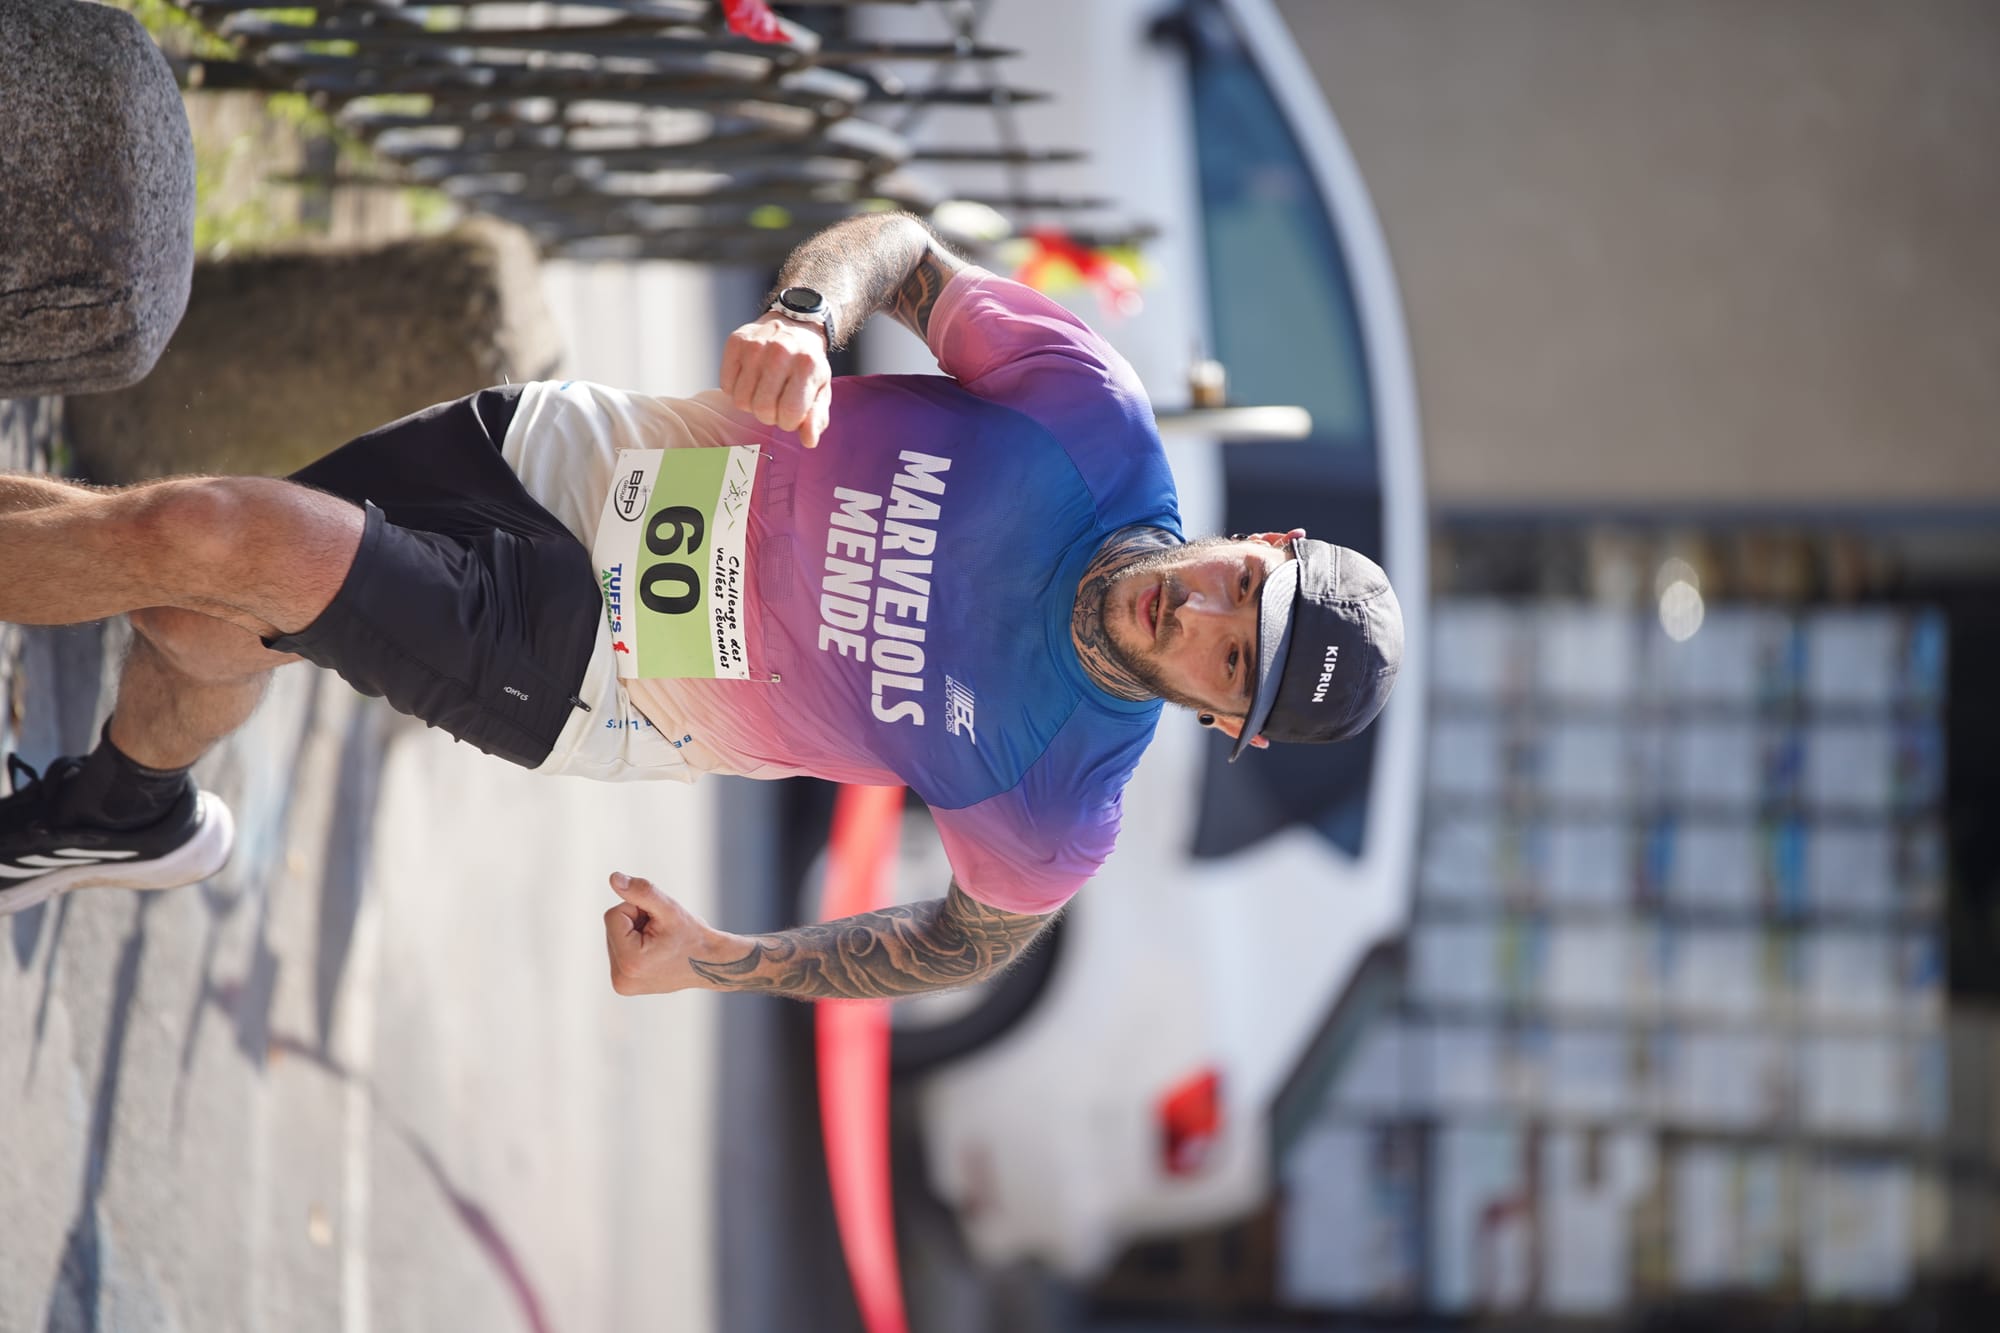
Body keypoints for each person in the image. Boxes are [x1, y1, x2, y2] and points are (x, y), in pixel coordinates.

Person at [0, 213, 1403, 1000]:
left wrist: (726, 961)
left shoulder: (1058, 801)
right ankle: (127, 811)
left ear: (1225, 723)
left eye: (1231, 663)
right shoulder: (1091, 418)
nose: (1195, 615)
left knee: (208, 535)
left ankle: (129, 805)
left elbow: (955, 943)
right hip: (560, 452)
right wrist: (806, 314)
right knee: (197, 607)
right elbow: (903, 254)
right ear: (1266, 539)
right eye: (1242, 587)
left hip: (584, 670)